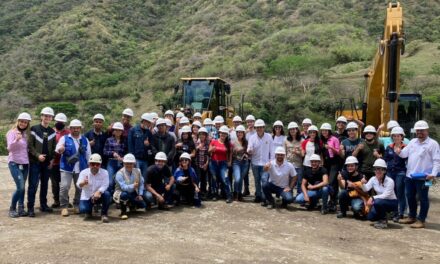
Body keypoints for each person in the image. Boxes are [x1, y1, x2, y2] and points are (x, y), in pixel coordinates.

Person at [395, 120, 440, 228]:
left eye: (422, 130)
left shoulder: (433, 144)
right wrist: (399, 151)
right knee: (410, 196)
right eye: (418, 130)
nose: (419, 132)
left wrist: (433, 174)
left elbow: (436, 160)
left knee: (423, 198)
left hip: (424, 177)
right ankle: (412, 216)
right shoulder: (413, 142)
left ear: (427, 130)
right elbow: (404, 154)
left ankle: (421, 220)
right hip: (410, 175)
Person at [56, 119, 91, 217]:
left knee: (79, 187)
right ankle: (64, 207)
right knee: (64, 187)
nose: (76, 130)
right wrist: (61, 149)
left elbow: (88, 154)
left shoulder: (85, 139)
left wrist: (89, 166)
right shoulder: (64, 138)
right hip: (66, 167)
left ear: (80, 129)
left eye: (77, 128)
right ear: (70, 128)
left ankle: (76, 205)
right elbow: (58, 149)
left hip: (81, 168)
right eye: (73, 128)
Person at [27, 107, 57, 217]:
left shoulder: (52, 132)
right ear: (41, 117)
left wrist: (52, 159)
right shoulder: (34, 129)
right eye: (45, 115)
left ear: (52, 118)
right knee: (33, 185)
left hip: (47, 163)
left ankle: (43, 205)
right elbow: (30, 146)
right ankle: (30, 208)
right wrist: (38, 155)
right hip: (35, 162)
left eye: (49, 116)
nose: (47, 117)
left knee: (44, 185)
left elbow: (54, 147)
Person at [7, 113, 32, 217]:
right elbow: (9, 148)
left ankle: (20, 208)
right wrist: (16, 140)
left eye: (25, 122)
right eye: (21, 121)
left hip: (25, 163)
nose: (23, 123)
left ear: (27, 124)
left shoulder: (26, 134)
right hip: (14, 163)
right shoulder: (12, 133)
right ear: (18, 121)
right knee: (20, 187)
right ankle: (12, 208)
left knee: (22, 186)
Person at [361, 159, 398, 229]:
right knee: (370, 217)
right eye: (376, 169)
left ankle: (383, 221)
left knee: (377, 202)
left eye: (380, 169)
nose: (378, 171)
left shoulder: (390, 181)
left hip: (392, 202)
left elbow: (386, 195)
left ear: (384, 170)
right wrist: (362, 183)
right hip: (380, 202)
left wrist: (372, 197)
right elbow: (365, 189)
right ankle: (384, 216)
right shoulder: (373, 179)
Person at [77, 154, 111, 223]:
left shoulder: (105, 172)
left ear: (100, 165)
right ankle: (88, 211)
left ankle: (104, 214)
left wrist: (99, 192)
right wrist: (83, 183)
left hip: (99, 196)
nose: (95, 166)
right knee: (83, 209)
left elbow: (105, 185)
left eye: (97, 164)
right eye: (93, 164)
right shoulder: (83, 172)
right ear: (89, 164)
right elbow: (78, 185)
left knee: (107, 194)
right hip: (87, 197)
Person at [383, 126, 407, 222]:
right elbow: (385, 159)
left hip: (400, 172)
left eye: (398, 136)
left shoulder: (406, 148)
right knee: (391, 192)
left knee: (399, 192)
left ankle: (401, 213)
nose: (396, 138)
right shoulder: (389, 147)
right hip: (390, 172)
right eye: (394, 136)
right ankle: (393, 212)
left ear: (402, 137)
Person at [247, 119, 274, 204]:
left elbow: (272, 151)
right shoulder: (252, 138)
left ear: (264, 127)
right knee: (257, 181)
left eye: (261, 127)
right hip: (255, 163)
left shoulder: (269, 137)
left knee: (264, 181)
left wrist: (270, 162)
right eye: (257, 127)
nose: (259, 129)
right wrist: (249, 151)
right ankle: (258, 195)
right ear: (255, 128)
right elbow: (249, 148)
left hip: (265, 164)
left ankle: (264, 197)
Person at [113, 154, 146, 220]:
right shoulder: (119, 173)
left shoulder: (138, 171)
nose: (129, 165)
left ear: (134, 163)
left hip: (133, 192)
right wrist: (133, 186)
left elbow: (141, 183)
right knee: (124, 195)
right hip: (121, 192)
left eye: (131, 163)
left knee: (142, 205)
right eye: (127, 163)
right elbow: (123, 187)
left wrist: (140, 194)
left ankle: (131, 205)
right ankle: (123, 211)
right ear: (124, 163)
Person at [50, 113, 70, 209]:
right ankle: (56, 200)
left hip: (64, 162)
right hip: (54, 162)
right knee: (54, 183)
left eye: (61, 122)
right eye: (58, 121)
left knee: (64, 184)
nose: (59, 123)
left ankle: (65, 200)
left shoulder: (68, 133)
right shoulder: (51, 132)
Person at [209, 125, 233, 203]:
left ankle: (228, 195)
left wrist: (229, 162)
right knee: (214, 179)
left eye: (225, 134)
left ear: (227, 135)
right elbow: (209, 151)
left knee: (225, 178)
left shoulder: (229, 144)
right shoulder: (213, 141)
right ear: (219, 133)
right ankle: (215, 194)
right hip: (213, 162)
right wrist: (211, 149)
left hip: (223, 163)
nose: (223, 135)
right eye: (222, 133)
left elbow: (230, 154)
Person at [320, 123, 340, 211]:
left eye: (326, 130)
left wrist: (330, 148)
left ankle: (333, 200)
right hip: (325, 163)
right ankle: (327, 200)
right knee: (325, 182)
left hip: (334, 162)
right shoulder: (321, 140)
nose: (324, 132)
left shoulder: (334, 139)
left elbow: (338, 152)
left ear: (329, 131)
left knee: (332, 182)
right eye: (323, 131)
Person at [127, 113, 154, 180]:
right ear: (144, 121)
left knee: (144, 178)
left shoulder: (149, 133)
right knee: (136, 178)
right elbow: (130, 145)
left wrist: (148, 145)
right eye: (148, 123)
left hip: (145, 160)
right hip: (136, 159)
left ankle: (142, 190)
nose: (149, 125)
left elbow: (152, 147)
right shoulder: (133, 130)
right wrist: (133, 159)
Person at [103, 122, 126, 195]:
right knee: (110, 182)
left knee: (120, 181)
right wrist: (113, 153)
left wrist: (124, 158)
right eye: (116, 130)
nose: (118, 132)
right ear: (113, 131)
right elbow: (105, 152)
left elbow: (127, 151)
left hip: (122, 163)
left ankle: (119, 198)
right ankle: (108, 197)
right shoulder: (109, 140)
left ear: (122, 131)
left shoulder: (124, 141)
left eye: (119, 130)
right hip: (111, 162)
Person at [284, 122, 303, 195]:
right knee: (289, 181)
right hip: (289, 164)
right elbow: (284, 153)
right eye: (291, 129)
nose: (292, 131)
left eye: (294, 129)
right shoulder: (286, 140)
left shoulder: (302, 140)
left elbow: (303, 154)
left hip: (299, 164)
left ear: (297, 130)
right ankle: (289, 195)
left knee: (299, 182)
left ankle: (299, 196)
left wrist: (297, 152)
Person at [231, 125, 249, 201]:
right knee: (237, 179)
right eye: (238, 132)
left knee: (241, 179)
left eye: (241, 132)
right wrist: (235, 151)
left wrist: (246, 154)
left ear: (243, 133)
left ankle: (239, 194)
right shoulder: (233, 142)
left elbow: (249, 151)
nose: (239, 134)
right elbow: (231, 153)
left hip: (245, 163)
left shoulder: (246, 142)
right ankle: (235, 192)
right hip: (236, 162)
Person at [195, 127, 211, 199]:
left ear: (206, 135)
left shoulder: (208, 143)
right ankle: (197, 192)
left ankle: (203, 192)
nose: (202, 136)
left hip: (204, 164)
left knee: (204, 179)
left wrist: (207, 163)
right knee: (198, 178)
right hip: (197, 164)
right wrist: (198, 147)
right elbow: (193, 152)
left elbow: (208, 154)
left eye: (203, 134)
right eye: (200, 134)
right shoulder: (196, 142)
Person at [243, 114, 256, 196]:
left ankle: (257, 189)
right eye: (248, 122)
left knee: (256, 174)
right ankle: (246, 189)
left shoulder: (257, 132)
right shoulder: (245, 132)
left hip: (255, 156)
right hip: (247, 156)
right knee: (245, 173)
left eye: (251, 122)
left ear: (254, 122)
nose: (249, 123)